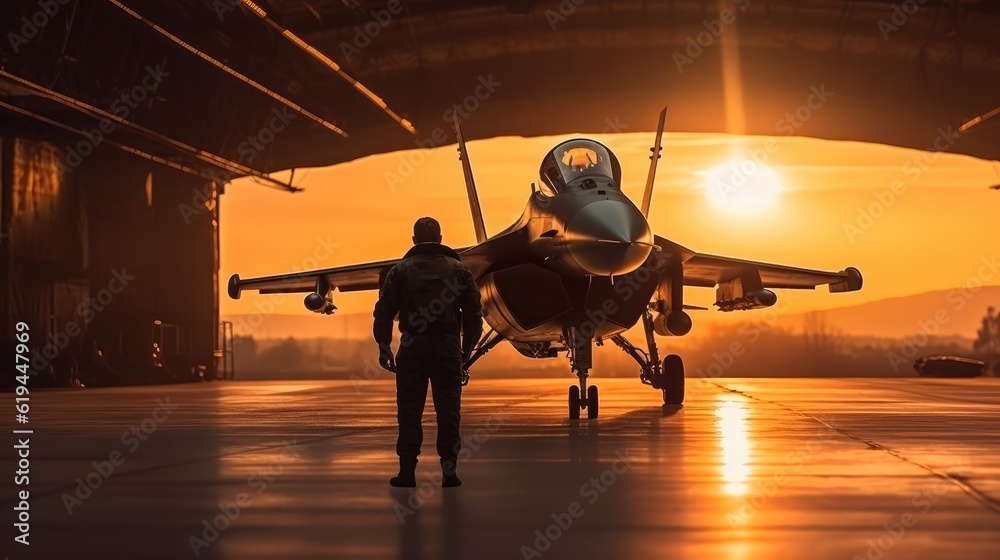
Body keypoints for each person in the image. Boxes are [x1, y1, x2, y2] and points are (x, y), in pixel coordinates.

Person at [373, 217, 483, 488]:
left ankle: (407, 473)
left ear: (414, 240)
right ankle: (449, 473)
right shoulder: (458, 270)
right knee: (449, 411)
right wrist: (466, 352)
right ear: (441, 238)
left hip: (412, 348)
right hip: (447, 349)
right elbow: (473, 314)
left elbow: (384, 311)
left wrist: (384, 345)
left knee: (409, 411)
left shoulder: (400, 271)